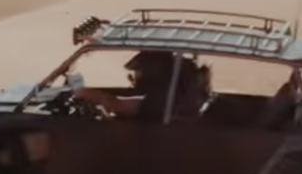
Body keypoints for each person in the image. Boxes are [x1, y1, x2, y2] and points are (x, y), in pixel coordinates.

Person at [74, 50, 210, 123]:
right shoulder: (182, 96)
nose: (136, 77)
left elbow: (116, 104)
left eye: (139, 72)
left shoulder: (161, 99)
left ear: (151, 72)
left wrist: (84, 93)